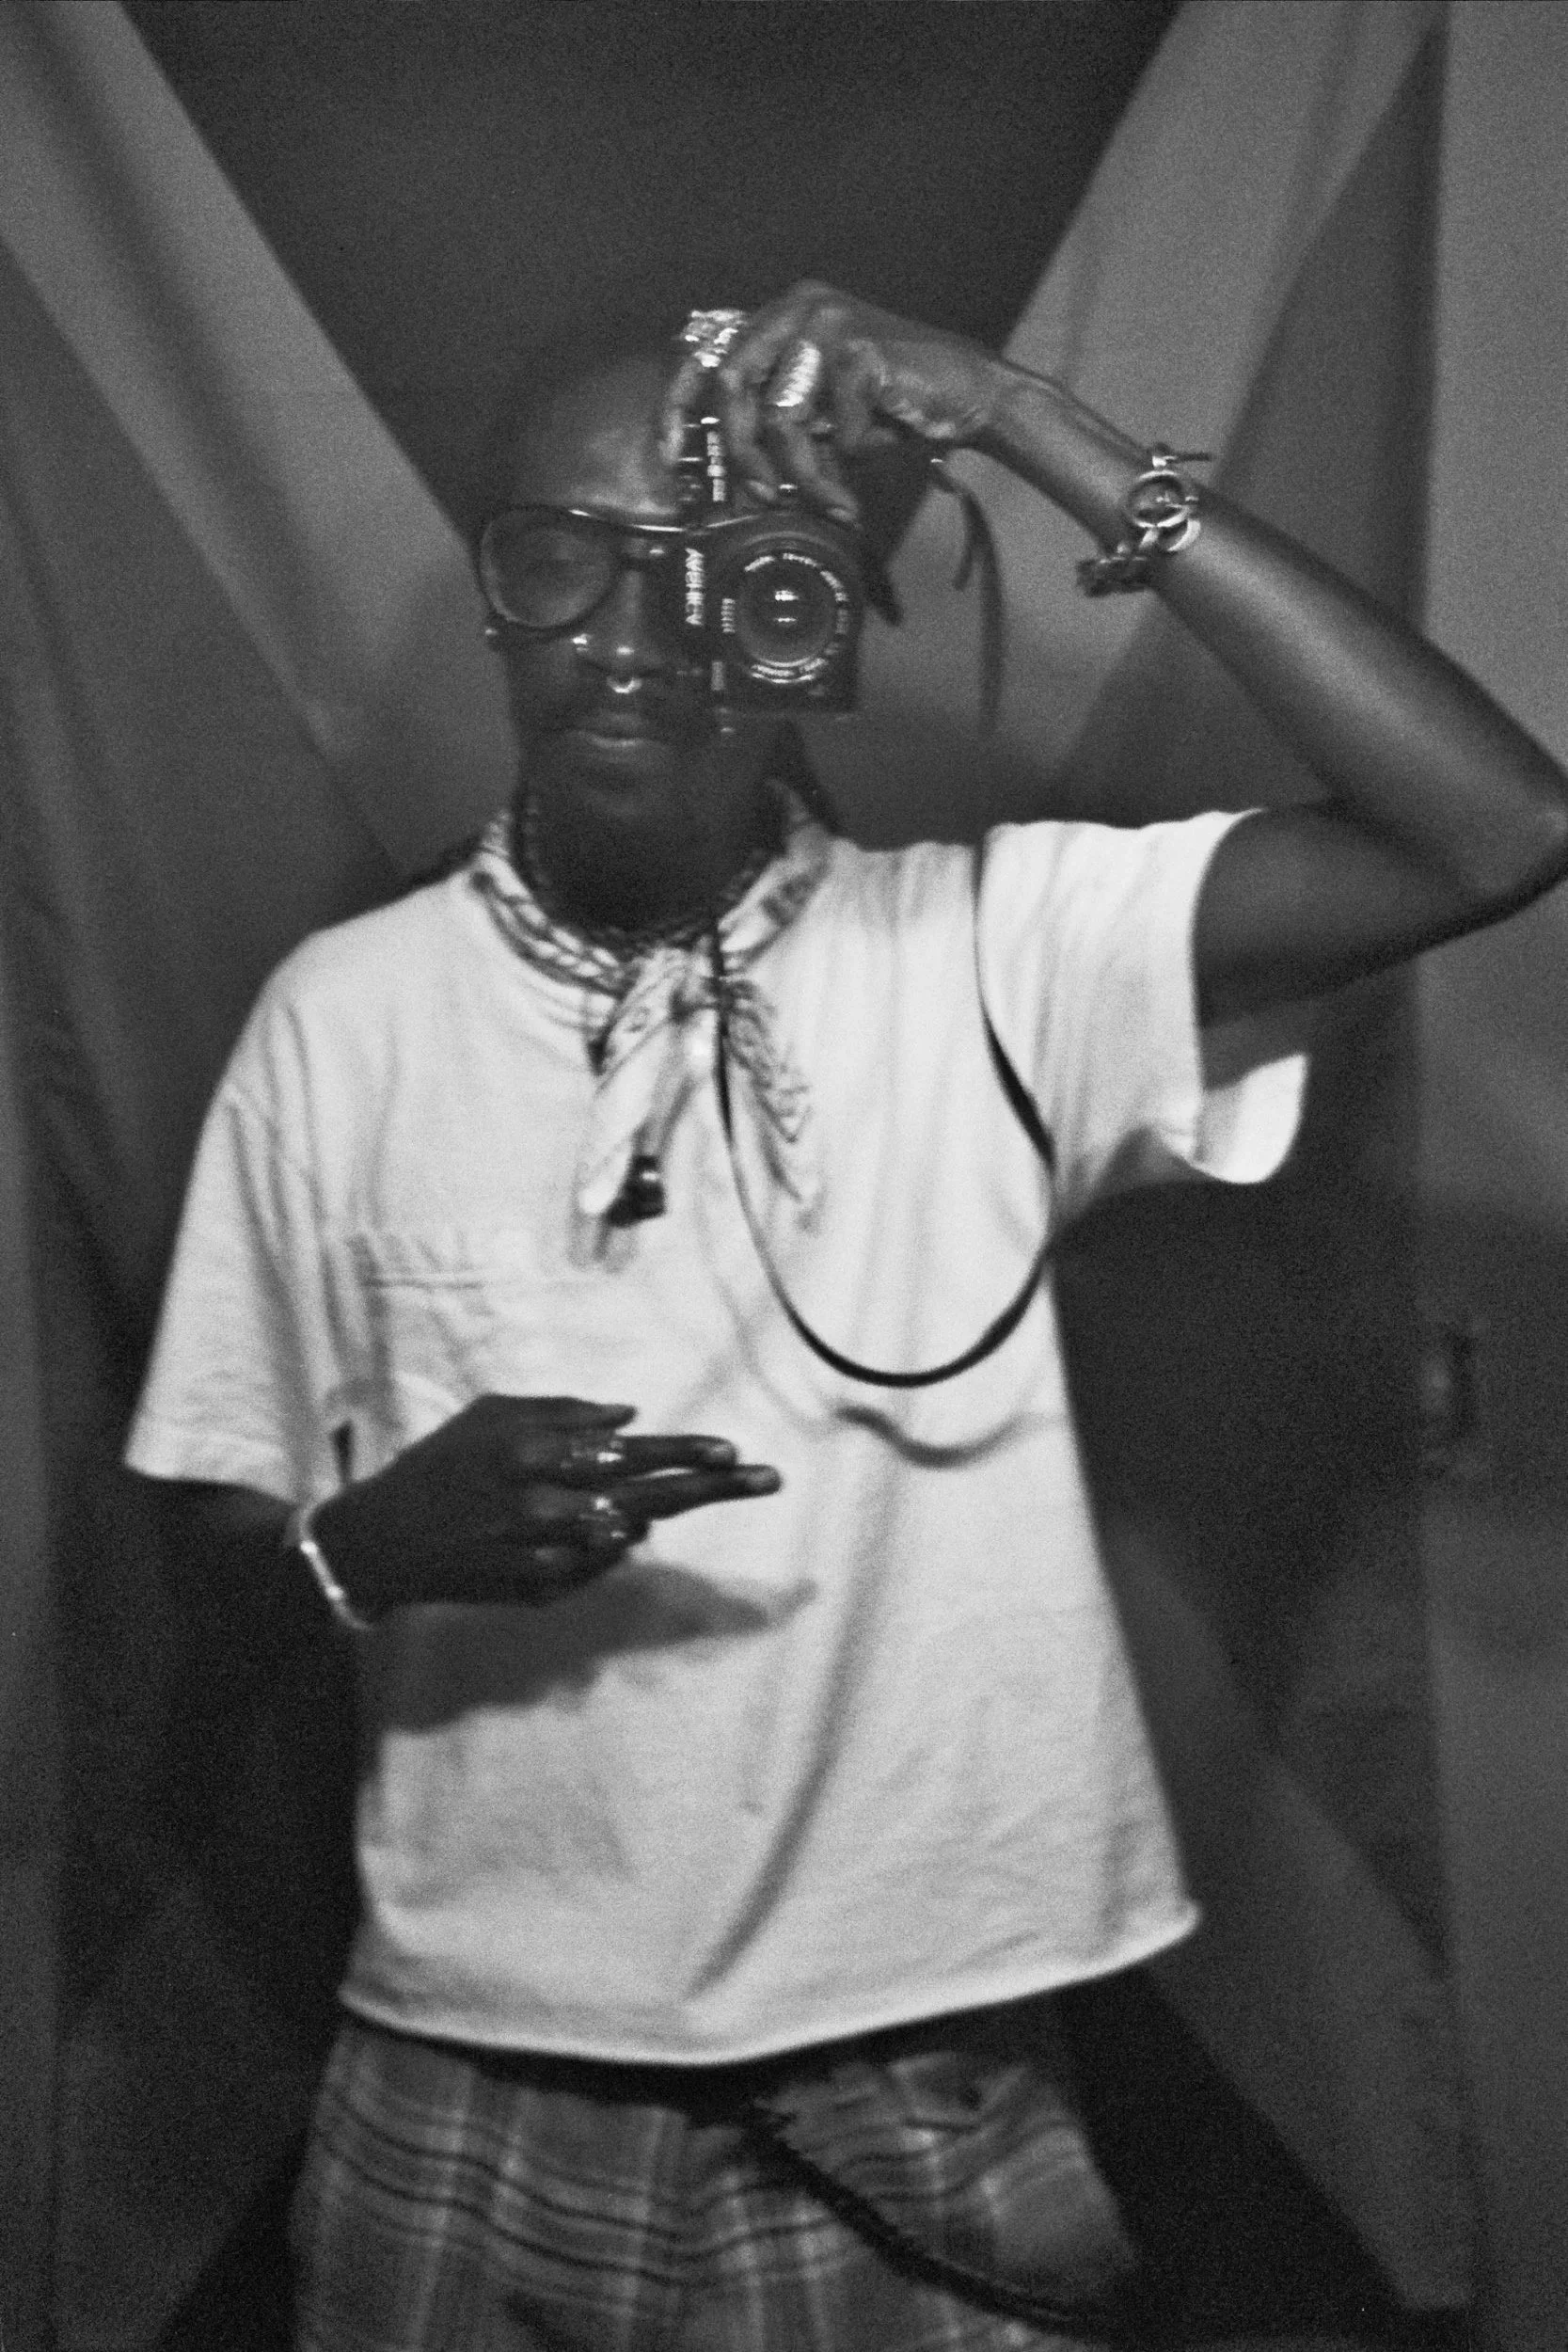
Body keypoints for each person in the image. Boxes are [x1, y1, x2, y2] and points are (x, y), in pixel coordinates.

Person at [126, 284, 1568, 2352]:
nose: (634, 640)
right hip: (470, 2062)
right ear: (493, 599)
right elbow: (210, 1523)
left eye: (716, 572)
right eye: (565, 558)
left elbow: (1493, 825)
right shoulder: (337, 1022)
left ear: (814, 617)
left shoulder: (996, 949)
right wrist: (369, 1544)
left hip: (924, 2067)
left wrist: (1019, 418)